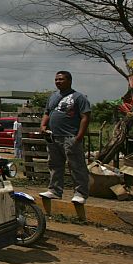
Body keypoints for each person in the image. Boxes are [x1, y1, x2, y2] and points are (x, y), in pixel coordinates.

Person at [39, 71, 92, 204]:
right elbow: (47, 112)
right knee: (54, 165)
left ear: (69, 81)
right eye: (56, 79)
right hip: (53, 136)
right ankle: (54, 191)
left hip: (70, 136)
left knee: (76, 166)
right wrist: (43, 125)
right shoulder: (53, 96)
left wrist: (79, 136)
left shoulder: (78, 97)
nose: (58, 82)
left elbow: (85, 117)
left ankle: (80, 193)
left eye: (61, 79)